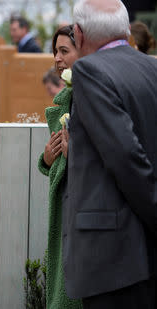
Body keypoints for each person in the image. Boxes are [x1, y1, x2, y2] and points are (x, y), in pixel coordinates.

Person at [65, 0, 157, 308]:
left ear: (78, 33)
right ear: (127, 29)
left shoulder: (89, 71)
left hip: (112, 257)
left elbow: (125, 157)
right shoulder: (153, 67)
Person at [38, 25, 83, 309]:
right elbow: (54, 163)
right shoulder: (66, 99)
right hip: (66, 209)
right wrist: (46, 159)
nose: (57, 58)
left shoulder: (91, 99)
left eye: (64, 51)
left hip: (82, 212)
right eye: (55, 51)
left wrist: (72, 154)